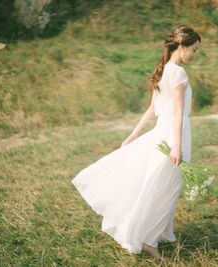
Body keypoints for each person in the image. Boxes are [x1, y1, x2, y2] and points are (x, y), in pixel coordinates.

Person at [72, 25, 200, 261]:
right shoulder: (179, 74)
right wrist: (177, 146)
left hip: (163, 131)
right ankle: (147, 240)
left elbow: (152, 108)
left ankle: (148, 232)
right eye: (193, 49)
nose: (194, 55)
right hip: (174, 134)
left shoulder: (163, 70)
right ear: (181, 47)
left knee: (155, 184)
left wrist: (134, 133)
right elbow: (178, 112)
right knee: (165, 187)